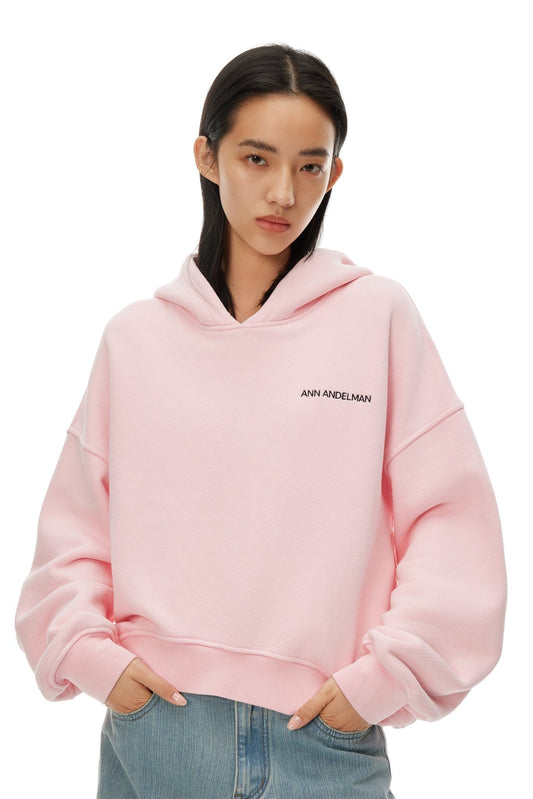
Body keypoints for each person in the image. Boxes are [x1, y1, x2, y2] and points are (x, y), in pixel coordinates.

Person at [15, 43, 507, 799]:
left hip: (324, 739)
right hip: (160, 730)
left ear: (334, 174)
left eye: (310, 166)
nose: (283, 192)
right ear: (206, 158)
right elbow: (74, 532)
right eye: (256, 158)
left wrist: (386, 676)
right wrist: (89, 656)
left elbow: (450, 520)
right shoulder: (135, 339)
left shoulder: (377, 317)